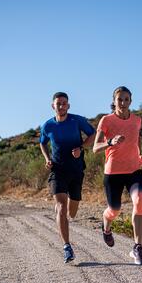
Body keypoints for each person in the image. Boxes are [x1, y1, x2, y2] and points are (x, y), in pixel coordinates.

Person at [93, 86, 142, 265]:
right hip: (113, 172)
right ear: (114, 101)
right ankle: (106, 226)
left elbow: (137, 139)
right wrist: (110, 142)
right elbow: (95, 148)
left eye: (126, 99)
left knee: (140, 201)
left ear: (131, 101)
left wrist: (140, 155)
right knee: (114, 210)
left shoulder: (137, 120)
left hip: (134, 170)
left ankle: (137, 247)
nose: (123, 103)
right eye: (119, 100)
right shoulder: (106, 120)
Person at [40, 92, 96, 263]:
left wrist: (81, 147)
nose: (61, 106)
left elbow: (93, 135)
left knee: (72, 212)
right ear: (53, 106)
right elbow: (42, 142)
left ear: (68, 106)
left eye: (64, 103)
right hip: (58, 170)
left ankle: (63, 213)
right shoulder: (47, 125)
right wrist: (47, 159)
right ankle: (67, 246)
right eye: (58, 103)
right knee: (62, 206)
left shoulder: (77, 120)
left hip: (76, 170)